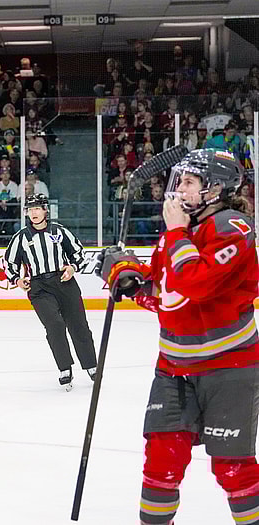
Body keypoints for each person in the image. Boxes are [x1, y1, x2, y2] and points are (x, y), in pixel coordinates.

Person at [96, 149, 259, 525]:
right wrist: (126, 277)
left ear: (215, 189)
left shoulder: (233, 228)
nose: (178, 189)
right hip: (173, 369)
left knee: (233, 469)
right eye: (179, 181)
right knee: (161, 463)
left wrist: (175, 233)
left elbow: (194, 283)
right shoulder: (177, 234)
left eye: (188, 182)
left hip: (229, 368)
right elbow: (166, 296)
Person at [3, 193, 97, 389]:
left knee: (79, 325)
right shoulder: (21, 237)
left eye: (37, 208)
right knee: (54, 325)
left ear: (46, 210)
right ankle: (65, 368)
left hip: (64, 282)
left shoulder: (59, 231)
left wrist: (72, 268)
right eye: (30, 209)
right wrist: (17, 279)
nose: (34, 213)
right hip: (38, 288)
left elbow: (79, 252)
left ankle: (91, 365)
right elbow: (9, 262)